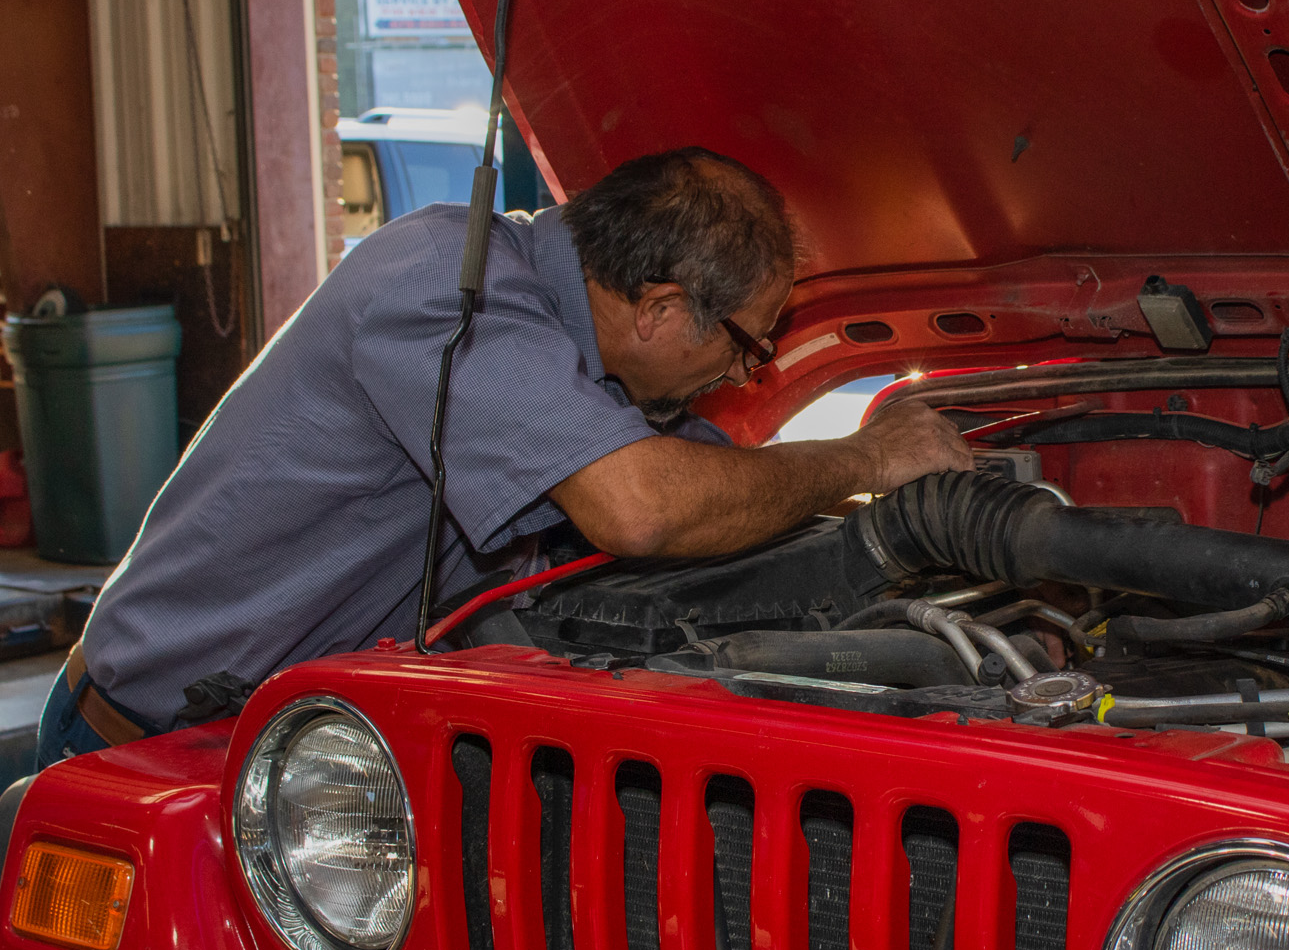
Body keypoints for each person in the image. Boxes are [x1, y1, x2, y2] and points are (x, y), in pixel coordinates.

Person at [36, 147, 970, 767]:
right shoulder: (448, 288)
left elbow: (710, 481)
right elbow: (641, 506)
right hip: (145, 740)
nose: (742, 371)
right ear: (657, 310)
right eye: (746, 345)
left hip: (288, 745)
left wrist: (889, 533)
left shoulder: (592, 367)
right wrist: (859, 459)